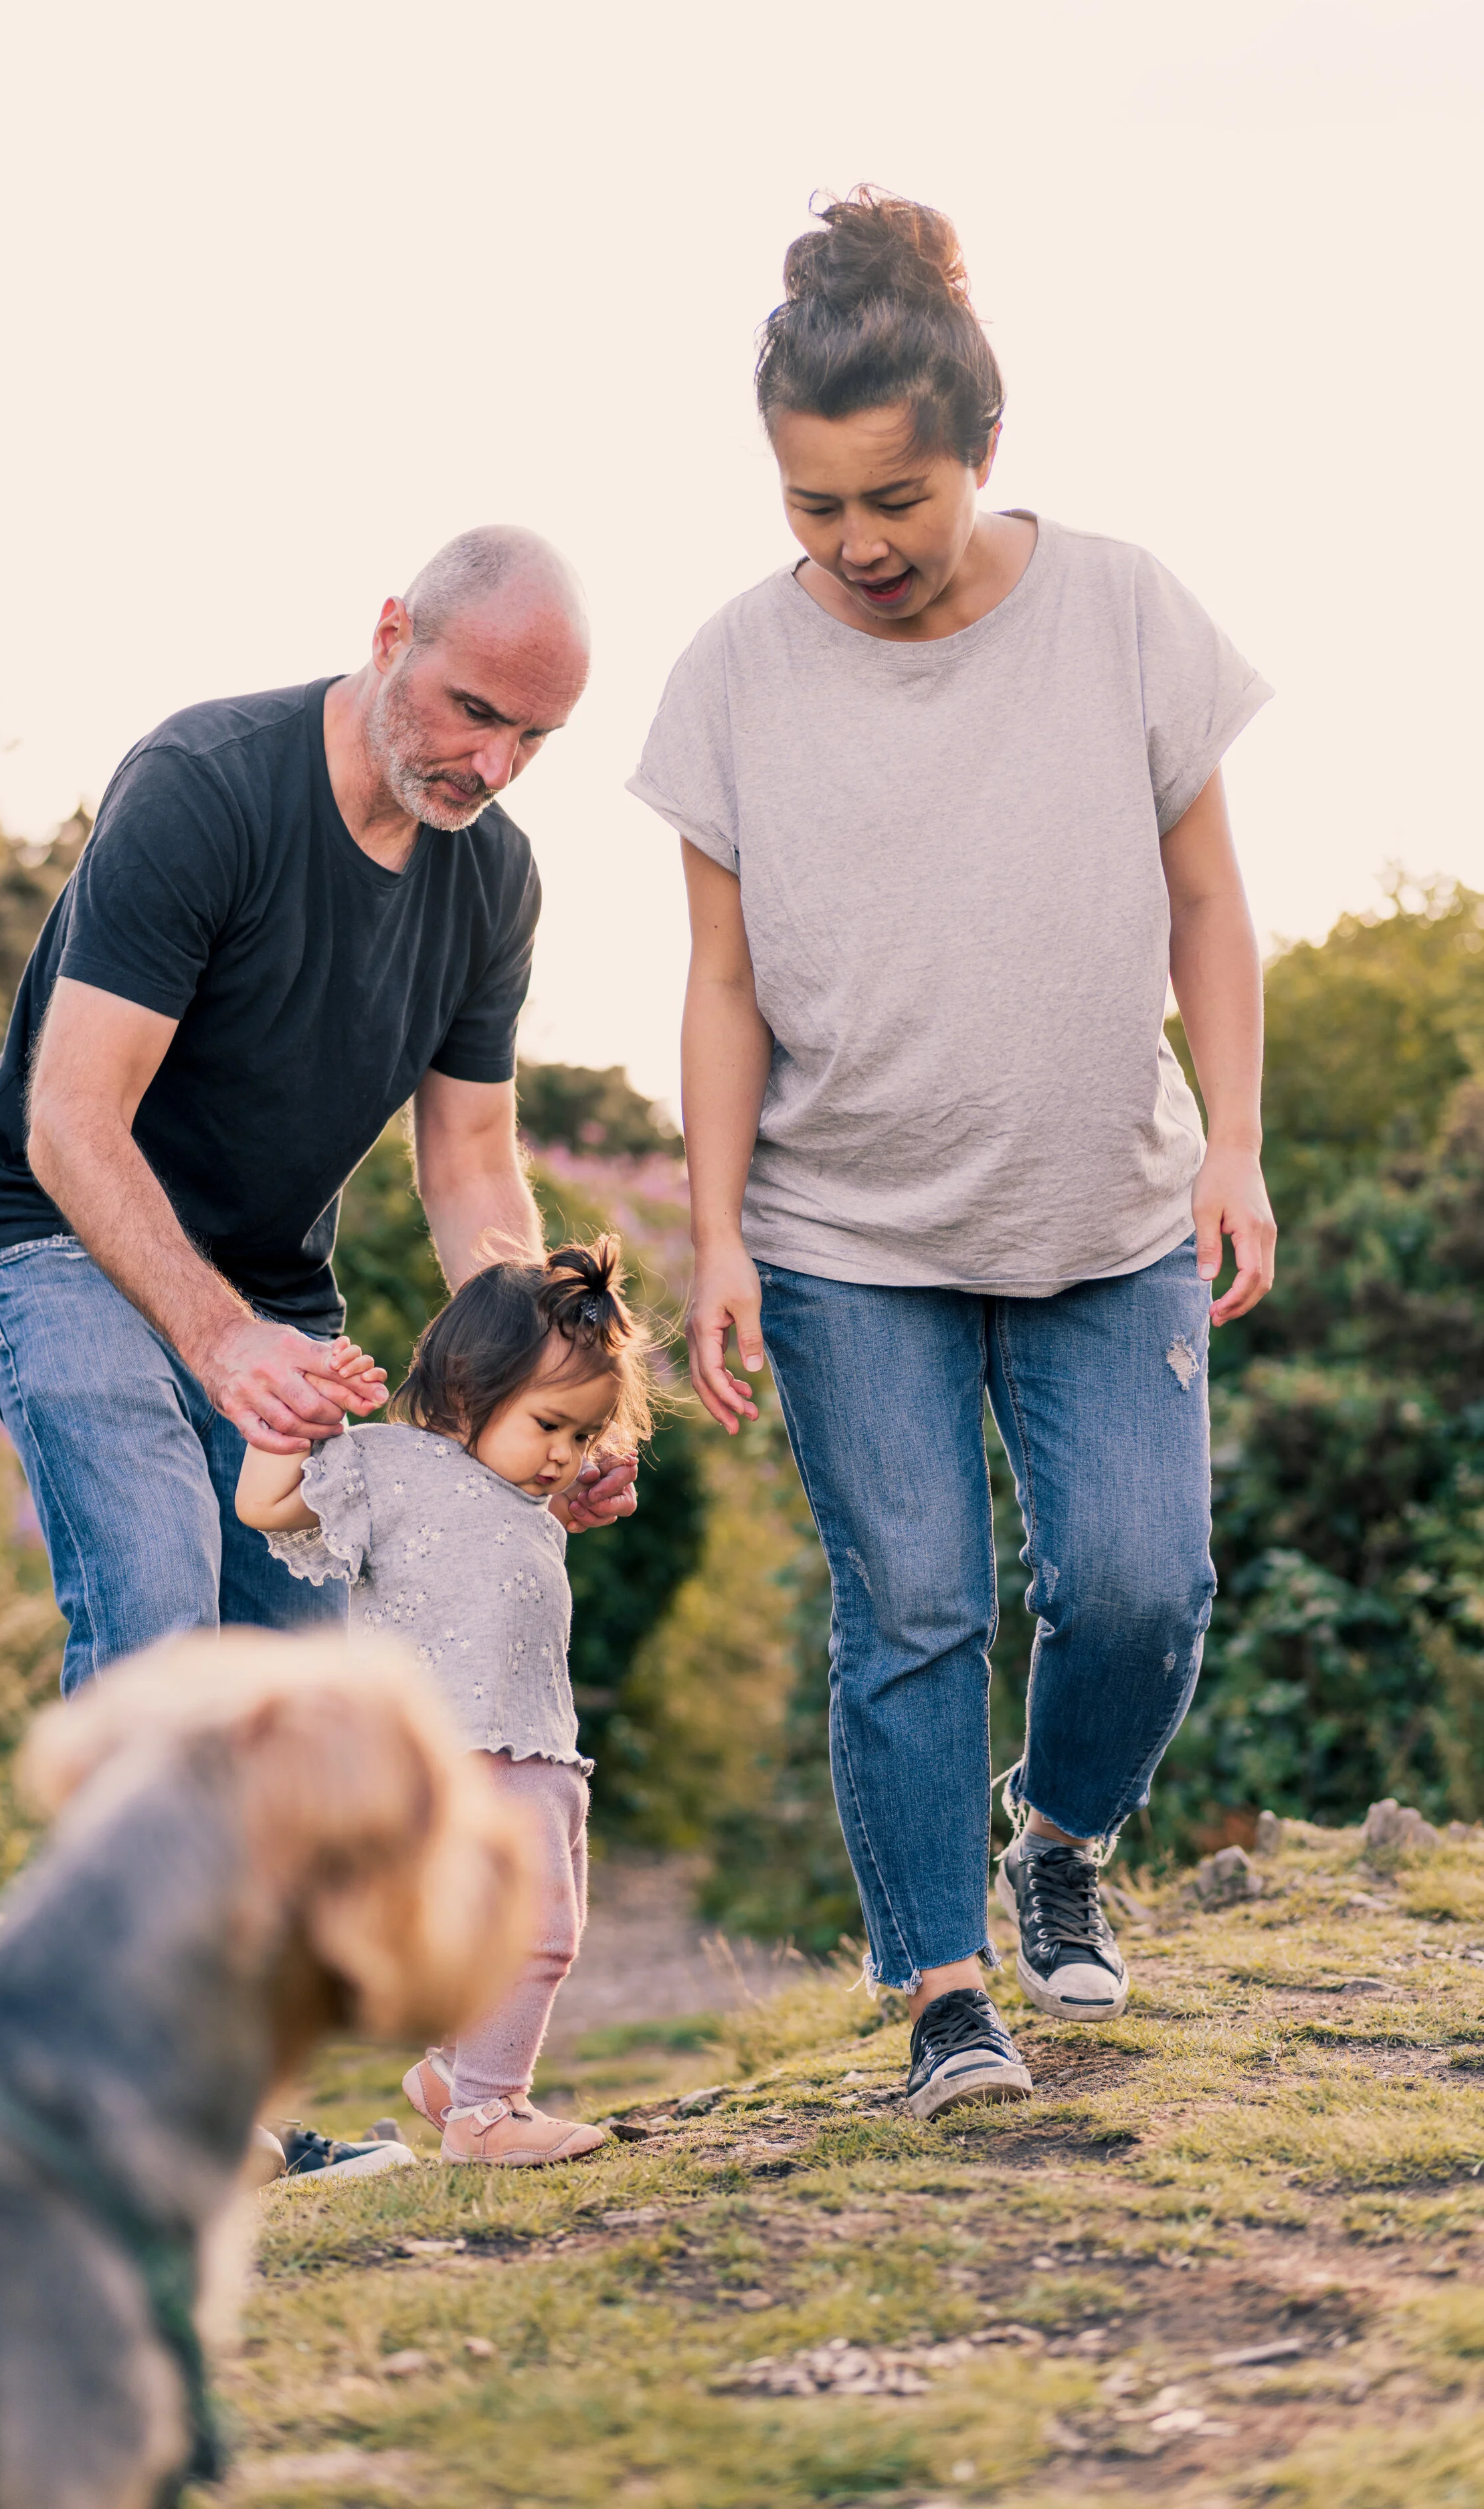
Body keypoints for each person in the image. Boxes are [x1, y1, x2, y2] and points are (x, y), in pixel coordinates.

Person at [629, 190, 1277, 2122]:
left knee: (1141, 1583)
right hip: (845, 1232)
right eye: (812, 508)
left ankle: (1057, 1830)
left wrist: (1233, 1137)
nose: (856, 545)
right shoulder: (732, 672)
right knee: (909, 1601)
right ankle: (939, 1995)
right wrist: (719, 1234)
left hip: (1103, 1211)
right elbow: (722, 982)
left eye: (891, 499)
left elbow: (1208, 898)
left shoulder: (1123, 608)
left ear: (978, 446)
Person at [0, 527, 637, 1697]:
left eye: (534, 737)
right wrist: (221, 1344)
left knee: (314, 1700)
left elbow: (471, 1160)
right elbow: (68, 1118)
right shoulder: (205, 784)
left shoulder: (495, 880)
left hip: (275, 1290)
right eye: (474, 710)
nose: (494, 765)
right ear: (388, 637)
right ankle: (124, 1885)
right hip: (63, 1239)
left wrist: (546, 1384)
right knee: (161, 1626)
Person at [238, 1236, 655, 2166]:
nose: (565, 1455)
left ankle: (449, 2076)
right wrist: (302, 1414)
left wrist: (570, 1482)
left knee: (548, 1925)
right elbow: (265, 1508)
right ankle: (485, 2113)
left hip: (541, 1749)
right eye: (551, 1425)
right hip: (459, 1752)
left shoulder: (522, 1498)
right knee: (535, 1930)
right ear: (468, 1389)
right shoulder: (390, 1466)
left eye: (583, 1436)